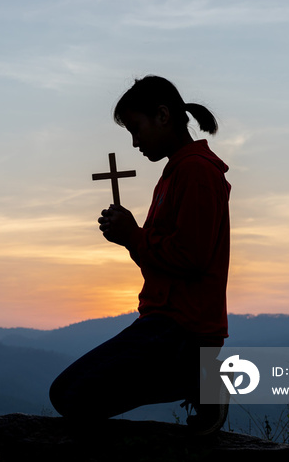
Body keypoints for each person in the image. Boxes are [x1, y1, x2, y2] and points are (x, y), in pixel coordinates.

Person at [49, 75, 231, 434]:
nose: (134, 143)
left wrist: (134, 236)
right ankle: (198, 381)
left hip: (182, 328)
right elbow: (165, 259)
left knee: (72, 395)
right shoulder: (174, 173)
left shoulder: (195, 171)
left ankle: (200, 379)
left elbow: (191, 257)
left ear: (163, 115)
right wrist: (128, 237)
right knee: (66, 394)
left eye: (136, 128)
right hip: (162, 320)